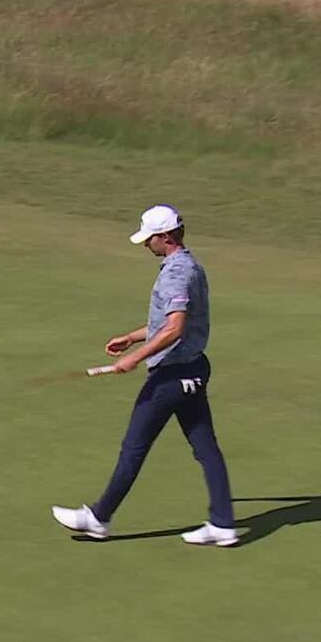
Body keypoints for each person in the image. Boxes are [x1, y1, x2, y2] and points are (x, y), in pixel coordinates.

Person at [51, 205, 238, 546]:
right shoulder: (192, 265)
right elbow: (169, 324)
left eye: (149, 239)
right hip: (193, 369)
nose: (146, 245)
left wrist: (135, 358)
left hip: (171, 378)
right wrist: (132, 337)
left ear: (165, 237)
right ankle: (223, 524)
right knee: (206, 447)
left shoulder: (175, 274)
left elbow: (175, 328)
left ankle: (99, 517)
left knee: (134, 448)